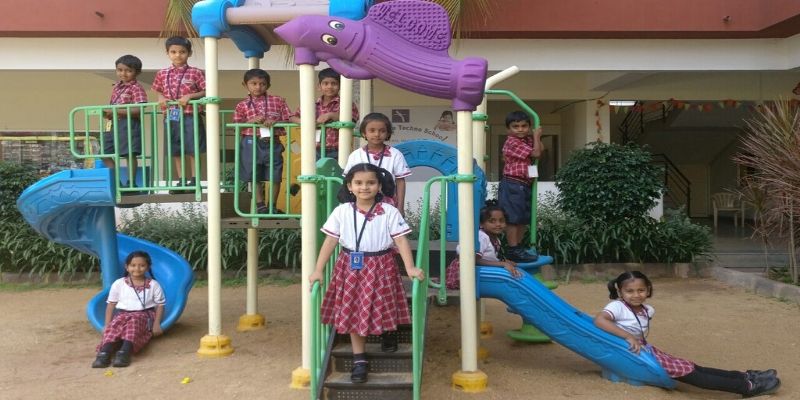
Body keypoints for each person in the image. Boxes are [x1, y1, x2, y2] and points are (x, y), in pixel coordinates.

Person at [309, 163, 424, 384]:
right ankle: (359, 359)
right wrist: (318, 270)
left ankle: (388, 332)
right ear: (349, 186)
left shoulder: (389, 211)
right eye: (359, 183)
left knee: (384, 303)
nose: (364, 187)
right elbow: (331, 240)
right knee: (354, 309)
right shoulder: (341, 211)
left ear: (379, 186)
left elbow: (401, 240)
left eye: (371, 182)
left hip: (382, 264)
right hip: (350, 266)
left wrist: (410, 267)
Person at [593, 271, 781, 398]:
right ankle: (747, 387)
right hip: (633, 352)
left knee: (693, 366)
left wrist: (635, 339)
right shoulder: (617, 306)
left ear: (648, 289)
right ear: (620, 292)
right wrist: (627, 336)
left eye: (641, 290)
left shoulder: (647, 309)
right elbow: (600, 320)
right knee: (692, 374)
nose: (636, 295)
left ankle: (745, 376)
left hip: (645, 349)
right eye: (629, 291)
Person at [233, 69, 294, 214]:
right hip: (251, 141)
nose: (258, 87)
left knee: (275, 175)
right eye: (253, 83)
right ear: (245, 85)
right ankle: (260, 205)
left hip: (272, 142)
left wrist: (275, 121)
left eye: (262, 84)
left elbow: (288, 119)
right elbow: (236, 126)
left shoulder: (278, 101)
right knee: (254, 174)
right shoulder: (242, 105)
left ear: (268, 85)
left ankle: (272, 206)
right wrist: (251, 121)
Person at [92, 251, 165, 368]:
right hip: (122, 314)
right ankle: (104, 352)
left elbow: (160, 305)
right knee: (114, 326)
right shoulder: (119, 284)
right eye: (133, 265)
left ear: (148, 267)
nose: (137, 269)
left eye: (142, 265)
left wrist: (156, 324)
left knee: (134, 323)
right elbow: (111, 305)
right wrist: (107, 325)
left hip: (144, 315)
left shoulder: (154, 285)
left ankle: (124, 352)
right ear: (127, 267)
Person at [151, 36, 206, 193]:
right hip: (171, 115)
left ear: (189, 53)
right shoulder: (162, 73)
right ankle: (181, 180)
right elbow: (158, 91)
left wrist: (190, 96)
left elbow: (206, 90)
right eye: (173, 52)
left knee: (193, 148)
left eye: (182, 52)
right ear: (167, 53)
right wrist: (161, 98)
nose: (178, 55)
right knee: (175, 148)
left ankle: (195, 180)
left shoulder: (196, 72)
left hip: (190, 114)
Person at [343, 112, 411, 215]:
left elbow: (400, 181)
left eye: (382, 131)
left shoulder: (395, 154)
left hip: (388, 205)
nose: (377, 134)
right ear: (364, 133)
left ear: (388, 133)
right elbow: (348, 180)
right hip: (360, 204)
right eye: (372, 130)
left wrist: (400, 207)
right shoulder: (355, 155)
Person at [446, 201, 522, 290]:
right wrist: (502, 264)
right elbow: (474, 260)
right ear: (481, 224)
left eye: (501, 221)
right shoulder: (482, 237)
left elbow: (488, 257)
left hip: (479, 270)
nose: (498, 224)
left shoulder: (495, 239)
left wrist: (504, 261)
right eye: (492, 221)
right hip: (466, 272)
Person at [498, 110, 543, 262]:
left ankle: (518, 247)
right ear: (508, 129)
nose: (520, 129)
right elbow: (536, 154)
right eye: (515, 126)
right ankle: (513, 249)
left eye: (524, 126)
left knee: (523, 218)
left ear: (529, 127)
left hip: (523, 184)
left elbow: (540, 149)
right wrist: (536, 137)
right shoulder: (512, 142)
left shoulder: (526, 141)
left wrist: (536, 138)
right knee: (513, 218)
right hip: (513, 183)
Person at [101, 55, 148, 191]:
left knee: (129, 153)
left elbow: (138, 109)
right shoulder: (116, 87)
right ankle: (117, 182)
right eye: (120, 70)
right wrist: (108, 113)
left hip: (128, 123)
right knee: (104, 153)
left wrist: (115, 111)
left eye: (128, 70)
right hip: (113, 124)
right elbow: (114, 107)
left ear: (137, 72)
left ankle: (131, 183)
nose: (123, 73)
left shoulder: (136, 88)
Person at [291, 68, 359, 160]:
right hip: (315, 149)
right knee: (314, 169)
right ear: (319, 86)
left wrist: (331, 115)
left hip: (338, 149)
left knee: (338, 169)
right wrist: (304, 122)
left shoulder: (345, 104)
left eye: (334, 83)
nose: (329, 86)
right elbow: (292, 117)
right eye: (325, 83)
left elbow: (352, 118)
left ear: (340, 86)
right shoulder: (312, 105)